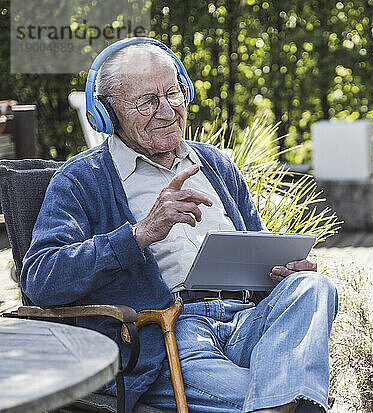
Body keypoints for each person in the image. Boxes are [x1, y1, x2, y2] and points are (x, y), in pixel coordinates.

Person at [21, 37, 338, 413]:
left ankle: (278, 399)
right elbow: (41, 279)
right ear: (106, 114)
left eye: (173, 93)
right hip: (172, 335)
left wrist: (282, 271)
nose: (168, 110)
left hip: (251, 322)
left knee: (311, 286)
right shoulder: (81, 180)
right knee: (294, 396)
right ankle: (283, 399)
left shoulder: (216, 165)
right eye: (147, 102)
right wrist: (140, 234)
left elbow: (259, 244)